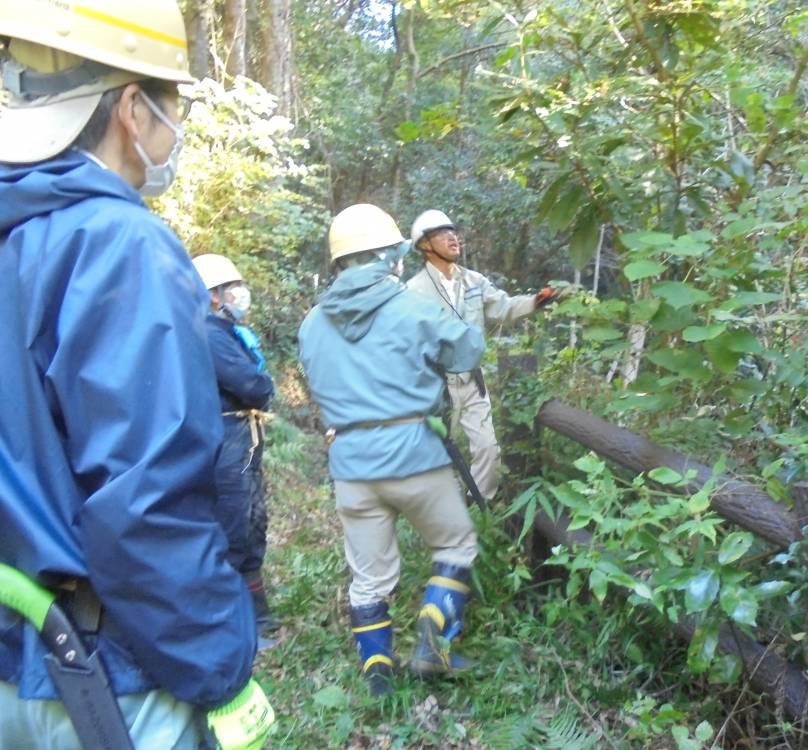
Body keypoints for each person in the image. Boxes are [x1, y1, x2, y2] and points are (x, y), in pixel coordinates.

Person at [0, 3, 273, 748]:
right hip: (101, 672)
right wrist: (223, 668)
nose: (174, 129)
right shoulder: (118, 244)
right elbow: (144, 506)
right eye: (172, 105)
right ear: (131, 107)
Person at [298, 203, 486, 696]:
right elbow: (467, 351)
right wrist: (466, 303)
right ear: (388, 255)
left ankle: (378, 674)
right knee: (455, 544)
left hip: (351, 465)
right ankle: (433, 635)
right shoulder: (413, 306)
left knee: (368, 576)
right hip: (415, 456)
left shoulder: (312, 322)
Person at [406, 209, 568, 502]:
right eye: (442, 233)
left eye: (453, 231)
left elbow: (503, 308)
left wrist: (537, 301)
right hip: (435, 385)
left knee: (488, 450)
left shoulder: (474, 282)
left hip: (472, 381)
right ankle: (447, 507)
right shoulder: (413, 291)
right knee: (436, 453)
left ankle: (479, 505)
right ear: (425, 245)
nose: (452, 237)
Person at [192, 254, 279, 651]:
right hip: (228, 440)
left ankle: (256, 616)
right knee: (236, 527)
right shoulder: (210, 334)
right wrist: (261, 382)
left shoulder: (227, 333)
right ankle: (237, 625)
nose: (240, 294)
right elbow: (255, 387)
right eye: (231, 288)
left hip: (241, 437)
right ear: (213, 296)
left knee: (252, 522)